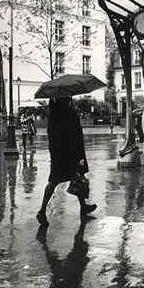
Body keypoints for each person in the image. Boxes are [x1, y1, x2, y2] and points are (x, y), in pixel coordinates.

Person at [36, 97, 97, 226]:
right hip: (71, 153)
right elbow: (76, 136)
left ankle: (42, 211)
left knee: (55, 181)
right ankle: (82, 207)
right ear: (66, 100)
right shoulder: (69, 113)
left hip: (58, 153)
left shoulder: (53, 113)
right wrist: (80, 156)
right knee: (77, 177)